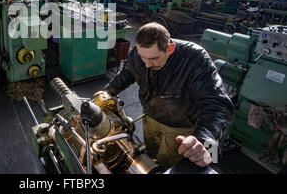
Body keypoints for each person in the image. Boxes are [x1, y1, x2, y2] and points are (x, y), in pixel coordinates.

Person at [94, 22, 234, 168]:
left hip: (178, 129)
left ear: (170, 49)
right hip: (150, 120)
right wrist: (108, 91)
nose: (147, 64)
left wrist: (205, 138)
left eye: (154, 59)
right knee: (149, 158)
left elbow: (217, 105)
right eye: (143, 58)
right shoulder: (138, 54)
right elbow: (127, 74)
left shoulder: (195, 59)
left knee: (167, 165)